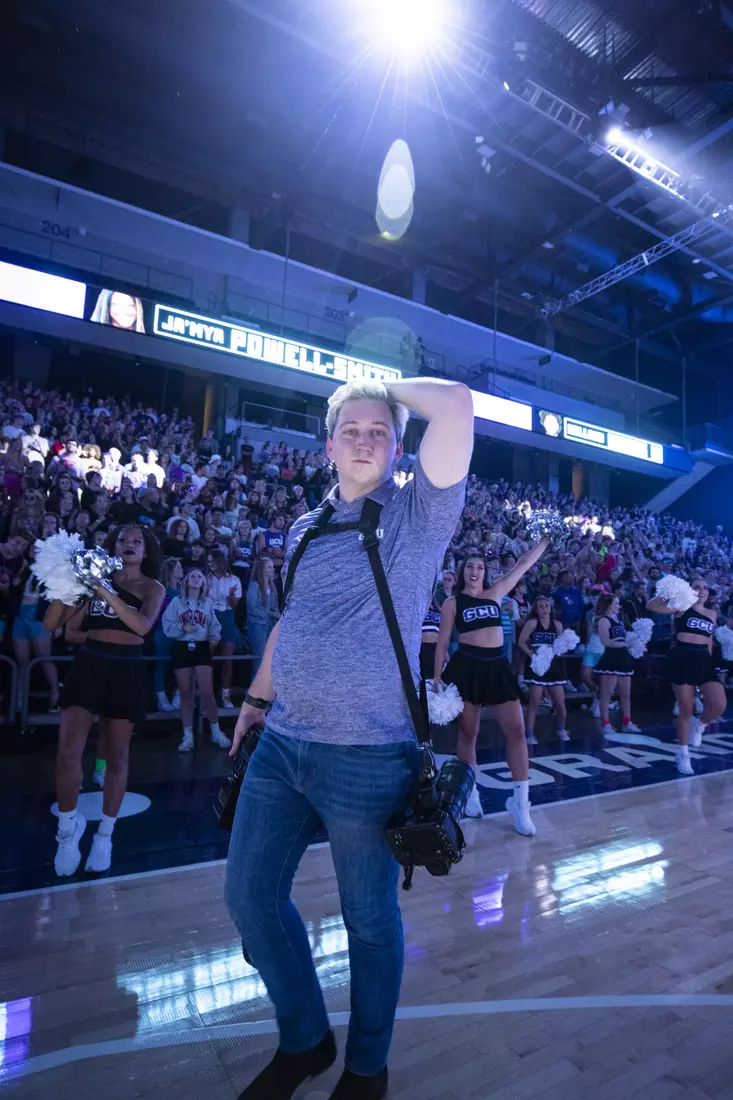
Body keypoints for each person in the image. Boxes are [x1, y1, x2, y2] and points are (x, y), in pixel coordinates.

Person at [224, 376, 472, 1100]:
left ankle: (367, 1067)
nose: (363, 438)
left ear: (398, 448)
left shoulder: (414, 518)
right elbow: (290, 620)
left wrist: (372, 385)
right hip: (281, 747)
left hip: (366, 758)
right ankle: (304, 1041)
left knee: (368, 921)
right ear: (327, 445)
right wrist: (254, 697)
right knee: (249, 900)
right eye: (350, 428)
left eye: (378, 430)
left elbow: (454, 402)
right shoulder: (304, 527)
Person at [44, 526, 164, 876]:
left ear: (145, 551)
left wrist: (104, 590)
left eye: (136, 541)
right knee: (67, 750)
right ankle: (67, 832)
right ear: (112, 548)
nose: (129, 545)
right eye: (122, 540)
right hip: (90, 663)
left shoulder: (153, 588)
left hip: (127, 669)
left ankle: (104, 836)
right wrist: (69, 582)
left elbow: (141, 627)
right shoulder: (93, 580)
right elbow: (56, 625)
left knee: (117, 756)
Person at [434, 543, 549, 831]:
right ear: (463, 572)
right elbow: (443, 642)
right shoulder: (453, 603)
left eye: (480, 567)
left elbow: (522, 565)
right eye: (470, 567)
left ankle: (521, 804)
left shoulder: (495, 592)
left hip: (496, 666)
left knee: (517, 731)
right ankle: (469, 793)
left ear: (486, 573)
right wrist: (437, 678)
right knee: (468, 733)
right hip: (467, 666)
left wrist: (546, 542)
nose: (475, 571)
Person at [647, 578, 727, 775]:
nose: (702, 590)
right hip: (682, 655)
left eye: (705, 587)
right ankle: (683, 753)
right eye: (697, 587)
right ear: (689, 589)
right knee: (686, 707)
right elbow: (651, 605)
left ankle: (699, 727)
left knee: (719, 704)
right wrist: (671, 592)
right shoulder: (681, 605)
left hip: (703, 658)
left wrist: (708, 660)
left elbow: (708, 640)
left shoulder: (712, 614)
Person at [162, 568, 230, 751]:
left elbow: (215, 624)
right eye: (192, 576)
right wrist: (181, 627)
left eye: (199, 576)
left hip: (201, 648)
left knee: (207, 692)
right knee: (185, 693)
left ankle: (216, 732)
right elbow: (166, 625)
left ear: (203, 582)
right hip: (182, 647)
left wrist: (215, 636)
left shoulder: (207, 603)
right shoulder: (177, 602)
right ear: (186, 580)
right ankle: (187, 736)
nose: (196, 579)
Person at [518, 596, 568, 745]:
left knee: (560, 703)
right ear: (536, 609)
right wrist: (533, 656)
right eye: (541, 606)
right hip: (538, 666)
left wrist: (563, 647)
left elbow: (560, 645)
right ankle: (530, 734)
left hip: (554, 666)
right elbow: (521, 642)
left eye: (547, 606)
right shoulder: (532, 623)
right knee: (535, 702)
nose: (544, 609)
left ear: (551, 608)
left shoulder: (557, 625)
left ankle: (561, 729)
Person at [593, 594, 640, 735]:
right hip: (611, 658)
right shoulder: (603, 621)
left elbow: (625, 638)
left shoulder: (618, 620)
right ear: (608, 605)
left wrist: (636, 644)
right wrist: (626, 643)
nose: (619, 606)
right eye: (616, 603)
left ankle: (627, 722)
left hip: (623, 658)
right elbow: (606, 641)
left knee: (626, 694)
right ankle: (606, 724)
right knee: (606, 694)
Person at [207, 548, 242, 708]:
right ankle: (207, 694)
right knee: (208, 659)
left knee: (227, 660)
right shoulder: (205, 578)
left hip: (227, 617)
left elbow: (235, 606)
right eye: (208, 561)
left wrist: (231, 595)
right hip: (210, 617)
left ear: (220, 561)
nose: (210, 564)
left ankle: (226, 694)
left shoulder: (234, 579)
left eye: (212, 561)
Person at [153, 557, 183, 712]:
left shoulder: (183, 590)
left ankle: (178, 695)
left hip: (180, 634)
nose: (182, 570)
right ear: (171, 571)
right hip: (163, 632)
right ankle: (161, 698)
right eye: (179, 567)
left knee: (182, 665)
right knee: (161, 665)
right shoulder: (160, 590)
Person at [246, 556, 280, 676]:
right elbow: (252, 607)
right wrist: (271, 613)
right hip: (257, 625)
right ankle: (254, 691)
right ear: (263, 570)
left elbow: (274, 608)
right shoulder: (254, 586)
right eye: (270, 567)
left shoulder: (272, 588)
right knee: (259, 657)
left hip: (270, 624)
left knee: (270, 658)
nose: (273, 569)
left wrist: (276, 615)